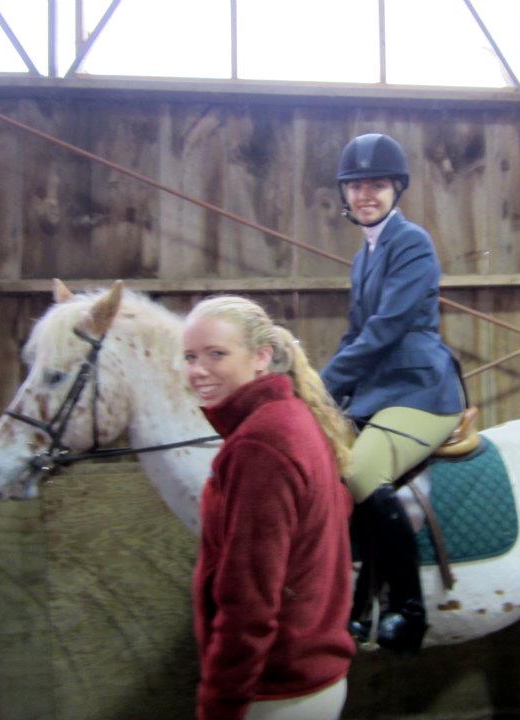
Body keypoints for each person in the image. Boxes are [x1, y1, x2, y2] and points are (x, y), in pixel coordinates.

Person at [320, 133, 466, 654]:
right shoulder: (364, 256)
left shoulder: (412, 243)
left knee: (362, 472)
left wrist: (324, 385)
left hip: (421, 389)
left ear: (395, 189)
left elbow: (384, 331)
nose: (366, 195)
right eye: (356, 185)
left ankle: (408, 607)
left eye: (376, 185)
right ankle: (358, 605)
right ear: (345, 194)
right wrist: (313, 385)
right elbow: (355, 334)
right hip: (379, 391)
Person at [182, 295, 356, 720]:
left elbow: (250, 598)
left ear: (261, 356)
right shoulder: (290, 415)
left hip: (277, 692)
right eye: (189, 357)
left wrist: (219, 704)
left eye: (216, 354)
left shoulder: (260, 443)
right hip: (308, 675)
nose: (197, 370)